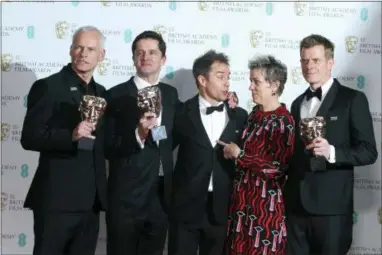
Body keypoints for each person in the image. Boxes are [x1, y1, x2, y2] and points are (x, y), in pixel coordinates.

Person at [285, 34, 378, 255]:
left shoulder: (352, 99)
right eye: (304, 60)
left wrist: (332, 152)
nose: (309, 66)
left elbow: (369, 152)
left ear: (330, 62)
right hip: (296, 208)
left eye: (315, 60)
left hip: (332, 211)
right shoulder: (298, 102)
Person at [20, 26, 108, 255]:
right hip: (56, 202)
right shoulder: (48, 87)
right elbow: (29, 137)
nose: (84, 53)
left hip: (90, 204)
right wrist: (70, 135)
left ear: (102, 55)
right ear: (70, 50)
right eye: (78, 47)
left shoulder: (103, 93)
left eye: (91, 49)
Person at [104, 30, 180, 255]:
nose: (146, 57)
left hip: (160, 198)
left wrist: (229, 106)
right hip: (126, 197)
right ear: (133, 58)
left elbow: (184, 129)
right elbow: (107, 146)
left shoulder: (171, 94)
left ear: (163, 59)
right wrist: (138, 133)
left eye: (152, 52)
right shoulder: (114, 96)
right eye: (140, 52)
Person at [168, 50, 248, 255]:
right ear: (202, 79)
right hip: (185, 207)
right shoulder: (181, 113)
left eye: (228, 77)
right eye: (220, 76)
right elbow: (163, 148)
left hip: (223, 207)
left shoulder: (239, 115)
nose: (227, 82)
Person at [218, 55, 295, 255]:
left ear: (274, 85)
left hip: (265, 210)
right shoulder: (254, 115)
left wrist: (240, 155)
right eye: (250, 81)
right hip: (241, 206)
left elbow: (278, 168)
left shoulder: (283, 121)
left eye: (256, 82)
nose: (251, 87)